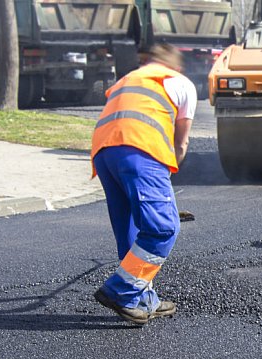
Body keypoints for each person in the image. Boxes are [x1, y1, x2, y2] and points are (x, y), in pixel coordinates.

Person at [90, 43, 197, 324]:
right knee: (163, 228)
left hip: (104, 151)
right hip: (141, 150)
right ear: (176, 65)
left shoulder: (128, 79)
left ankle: (143, 298)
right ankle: (121, 291)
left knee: (131, 228)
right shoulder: (181, 82)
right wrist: (165, 182)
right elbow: (180, 142)